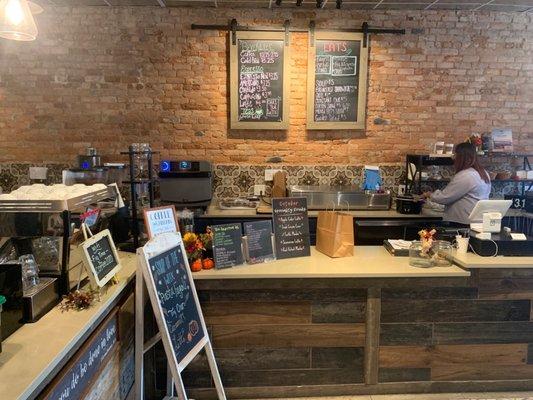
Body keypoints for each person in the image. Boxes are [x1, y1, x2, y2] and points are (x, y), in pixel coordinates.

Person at [424, 142, 491, 225]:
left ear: (462, 157)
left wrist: (430, 195)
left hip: (462, 221)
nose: (454, 158)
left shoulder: (466, 175)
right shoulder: (483, 173)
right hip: (477, 220)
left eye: (456, 155)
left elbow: (445, 198)